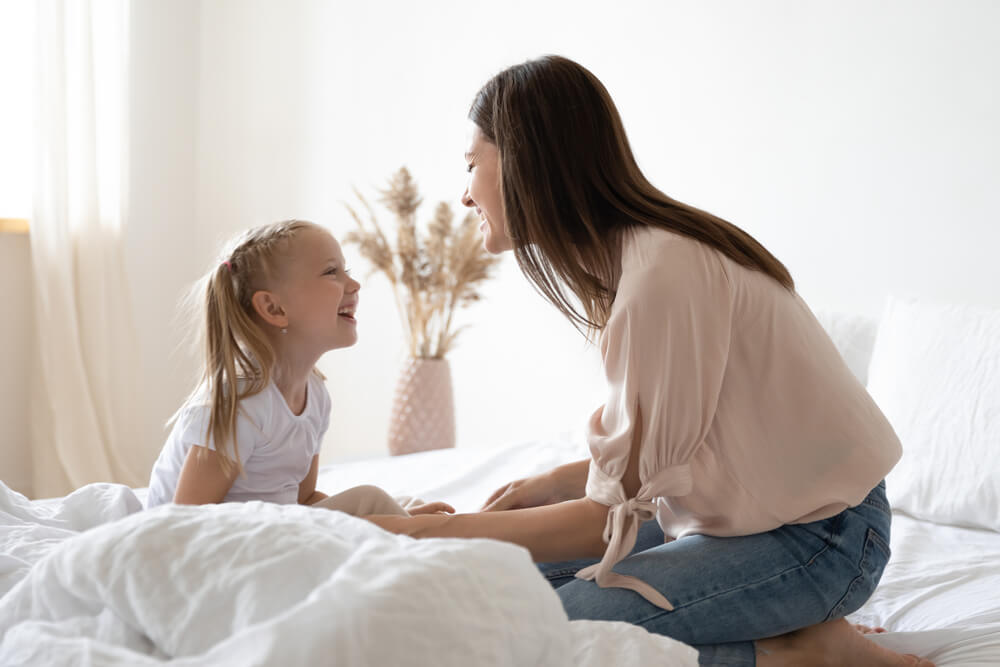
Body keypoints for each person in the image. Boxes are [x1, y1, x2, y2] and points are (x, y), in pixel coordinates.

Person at [364, 56, 934, 667]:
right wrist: (552, 483)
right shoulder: (641, 261)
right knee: (488, 587)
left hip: (824, 539)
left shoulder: (661, 274)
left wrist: (427, 533)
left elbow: (602, 520)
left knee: (534, 634)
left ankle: (806, 652)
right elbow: (678, 444)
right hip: (743, 517)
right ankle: (790, 626)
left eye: (473, 164)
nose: (464, 190)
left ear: (528, 162)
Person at [145, 220, 452, 519]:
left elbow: (303, 500)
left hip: (274, 526)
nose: (354, 284)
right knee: (370, 499)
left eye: (346, 270)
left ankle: (410, 524)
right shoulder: (240, 403)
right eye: (332, 272)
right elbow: (185, 518)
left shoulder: (315, 396)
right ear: (274, 309)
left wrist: (388, 516)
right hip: (206, 538)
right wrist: (378, 517)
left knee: (392, 502)